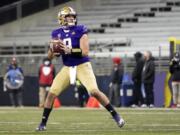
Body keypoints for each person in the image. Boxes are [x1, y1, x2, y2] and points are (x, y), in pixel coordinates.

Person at [36, 6, 125, 131]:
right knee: (51, 94)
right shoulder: (56, 33)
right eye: (69, 16)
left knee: (94, 91)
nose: (72, 18)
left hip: (82, 65)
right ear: (62, 18)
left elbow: (85, 51)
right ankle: (43, 123)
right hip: (67, 67)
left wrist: (69, 50)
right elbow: (50, 57)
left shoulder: (80, 29)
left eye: (73, 16)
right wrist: (53, 49)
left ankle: (116, 115)